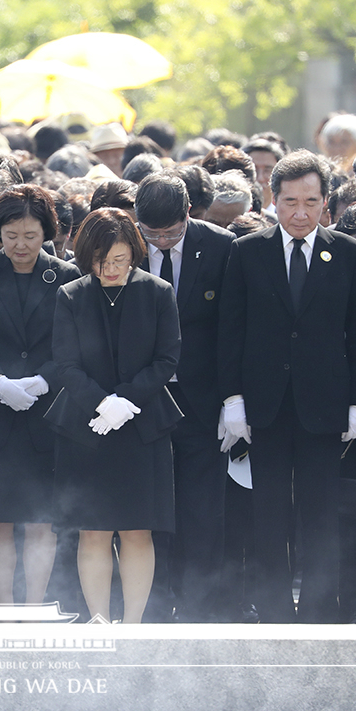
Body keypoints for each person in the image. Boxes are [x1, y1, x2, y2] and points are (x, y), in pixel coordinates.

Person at [217, 150, 356, 624]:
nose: (299, 212)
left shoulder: (348, 253)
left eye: (310, 201)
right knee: (268, 514)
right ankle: (273, 609)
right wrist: (233, 399)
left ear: (326, 201)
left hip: (324, 404)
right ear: (273, 200)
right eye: (289, 201)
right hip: (264, 402)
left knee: (321, 513)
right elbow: (231, 330)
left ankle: (322, 611)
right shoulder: (246, 251)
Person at [44, 208, 182, 624]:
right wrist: (102, 403)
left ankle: (134, 623)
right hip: (87, 427)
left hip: (143, 428)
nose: (111, 269)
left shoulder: (157, 292)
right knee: (94, 530)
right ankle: (99, 620)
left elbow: (167, 357)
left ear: (134, 254)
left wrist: (126, 400)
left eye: (120, 260)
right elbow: (65, 364)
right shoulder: (71, 295)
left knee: (139, 529)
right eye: (102, 262)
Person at [0, 184, 80, 607]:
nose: (21, 245)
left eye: (30, 236)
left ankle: (35, 604)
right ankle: (3, 604)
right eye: (11, 236)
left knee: (40, 519)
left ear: (47, 232)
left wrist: (45, 379)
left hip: (47, 412)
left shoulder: (65, 276)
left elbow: (69, 343)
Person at [132, 172, 235, 622]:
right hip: (143, 398)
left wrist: (234, 399)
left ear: (189, 214)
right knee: (149, 507)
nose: (160, 241)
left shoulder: (220, 246)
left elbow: (234, 327)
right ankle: (150, 605)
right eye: (150, 233)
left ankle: (200, 606)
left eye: (170, 233)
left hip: (202, 396)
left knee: (202, 508)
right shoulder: (128, 245)